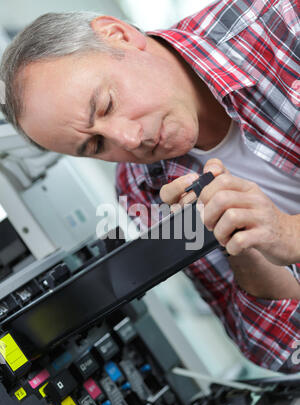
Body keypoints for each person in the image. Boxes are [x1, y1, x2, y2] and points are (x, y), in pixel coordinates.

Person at [0, 0, 299, 372]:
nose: (129, 139)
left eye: (107, 105)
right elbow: (283, 349)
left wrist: (289, 233)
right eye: (96, 145)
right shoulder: (142, 189)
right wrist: (238, 240)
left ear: (120, 35)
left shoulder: (282, 22)